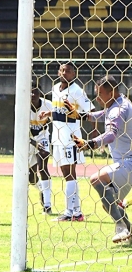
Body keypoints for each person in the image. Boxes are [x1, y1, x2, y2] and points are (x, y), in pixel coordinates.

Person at [73, 76, 132, 243]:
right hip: (125, 163)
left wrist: (89, 143)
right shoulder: (120, 103)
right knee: (109, 203)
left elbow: (111, 134)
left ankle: (121, 227)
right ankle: (129, 231)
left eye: (100, 94)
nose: (97, 98)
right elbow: (101, 115)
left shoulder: (117, 110)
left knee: (96, 179)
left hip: (129, 162)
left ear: (111, 92)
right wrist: (81, 115)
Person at [50, 62, 92, 221]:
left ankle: (71, 212)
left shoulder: (77, 91)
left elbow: (90, 110)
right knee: (65, 173)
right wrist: (48, 113)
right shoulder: (55, 88)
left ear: (73, 74)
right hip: (57, 137)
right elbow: (57, 110)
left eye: (67, 71)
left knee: (70, 173)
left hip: (70, 137)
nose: (63, 73)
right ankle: (76, 212)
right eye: (61, 70)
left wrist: (94, 131)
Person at [29, 83, 53, 215]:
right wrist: (34, 143)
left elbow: (57, 118)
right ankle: (42, 189)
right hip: (28, 140)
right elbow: (21, 130)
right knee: (31, 177)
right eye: (30, 92)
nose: (33, 94)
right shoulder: (22, 106)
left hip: (43, 138)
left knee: (42, 167)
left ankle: (47, 205)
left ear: (40, 93)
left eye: (36, 91)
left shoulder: (48, 104)